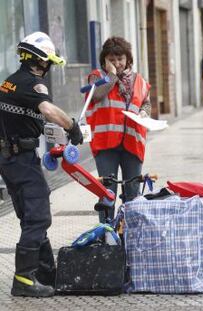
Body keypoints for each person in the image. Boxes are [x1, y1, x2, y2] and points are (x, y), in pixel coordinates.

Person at [0, 32, 83, 297]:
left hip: (9, 158)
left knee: (30, 215)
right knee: (39, 216)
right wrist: (71, 126)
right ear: (40, 61)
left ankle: (46, 273)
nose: (47, 68)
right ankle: (24, 280)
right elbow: (47, 110)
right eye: (47, 62)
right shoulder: (33, 84)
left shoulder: (10, 82)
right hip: (21, 159)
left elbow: (24, 115)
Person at [85, 37, 151, 223]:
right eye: (111, 60)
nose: (117, 63)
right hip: (105, 145)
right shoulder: (96, 77)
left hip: (133, 142)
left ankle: (131, 234)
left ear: (128, 58)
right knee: (107, 194)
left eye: (120, 58)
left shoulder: (138, 79)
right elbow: (96, 95)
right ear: (104, 60)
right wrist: (112, 76)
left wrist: (145, 113)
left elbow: (146, 102)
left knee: (133, 194)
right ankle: (107, 237)